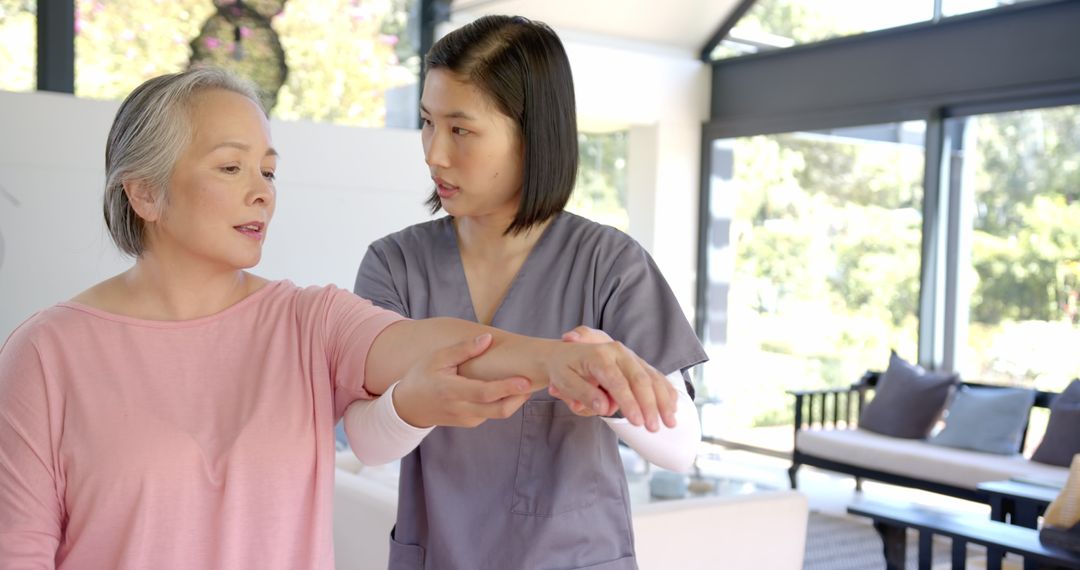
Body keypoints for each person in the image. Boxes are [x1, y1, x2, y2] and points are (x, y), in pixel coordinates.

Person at [0, 67, 679, 569]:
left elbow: (426, 344)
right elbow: (21, 550)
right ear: (145, 192)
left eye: (268, 171)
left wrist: (551, 358)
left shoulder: (306, 322)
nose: (260, 191)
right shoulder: (47, 352)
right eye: (231, 167)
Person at [354, 15, 709, 570]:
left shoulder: (610, 264)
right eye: (427, 122)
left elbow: (682, 448)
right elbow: (369, 443)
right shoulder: (395, 264)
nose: (434, 154)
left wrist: (605, 388)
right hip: (438, 555)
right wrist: (414, 401)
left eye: (461, 129)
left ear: (532, 134)